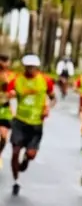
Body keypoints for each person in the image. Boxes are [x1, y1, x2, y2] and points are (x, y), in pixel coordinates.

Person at [6, 54, 56, 196]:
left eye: (33, 67)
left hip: (36, 123)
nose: (31, 70)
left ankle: (27, 159)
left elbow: (53, 98)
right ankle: (16, 181)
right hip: (20, 121)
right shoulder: (16, 80)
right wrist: (10, 98)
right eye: (28, 67)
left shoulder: (45, 81)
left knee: (31, 154)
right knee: (15, 152)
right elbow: (8, 95)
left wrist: (48, 108)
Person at [0, 55, 12, 163]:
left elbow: (11, 92)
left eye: (6, 61)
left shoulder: (10, 76)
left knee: (3, 136)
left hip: (4, 109)